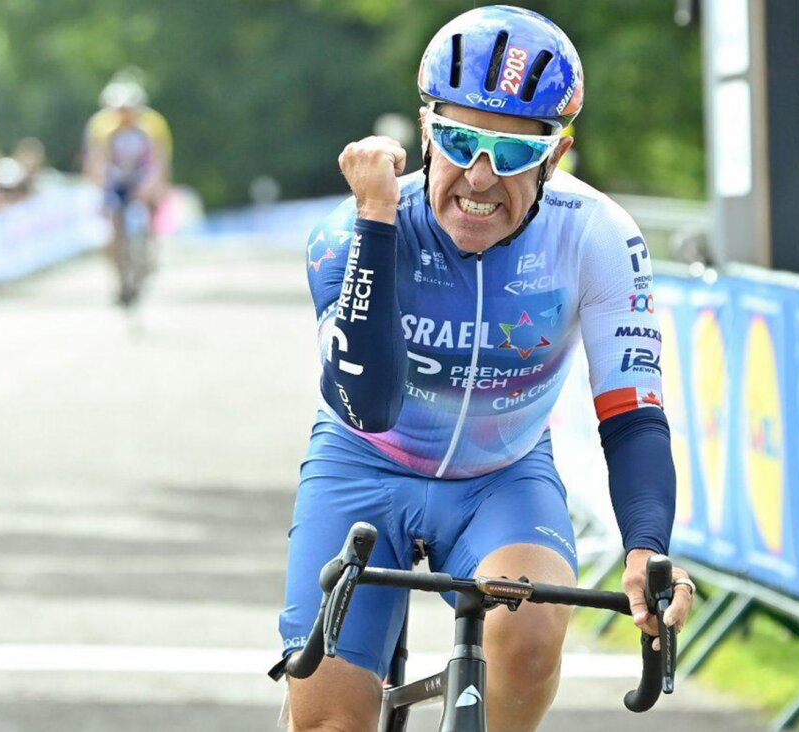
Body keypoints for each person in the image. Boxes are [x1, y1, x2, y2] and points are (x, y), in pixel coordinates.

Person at [277, 6, 695, 731]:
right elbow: (367, 404)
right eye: (460, 140)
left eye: (511, 153)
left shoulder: (595, 236)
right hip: (363, 463)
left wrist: (646, 549)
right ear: (425, 131)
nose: (479, 177)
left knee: (531, 636)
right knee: (332, 725)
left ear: (556, 156)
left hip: (501, 476)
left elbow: (632, 416)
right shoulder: (350, 234)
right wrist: (377, 224)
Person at [82, 72, 172, 305]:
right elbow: (96, 162)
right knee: (113, 225)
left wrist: (154, 187)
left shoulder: (150, 128)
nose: (124, 115)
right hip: (116, 179)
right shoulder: (103, 129)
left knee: (148, 207)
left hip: (143, 175)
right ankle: (120, 278)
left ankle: (149, 250)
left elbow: (159, 161)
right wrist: (100, 190)